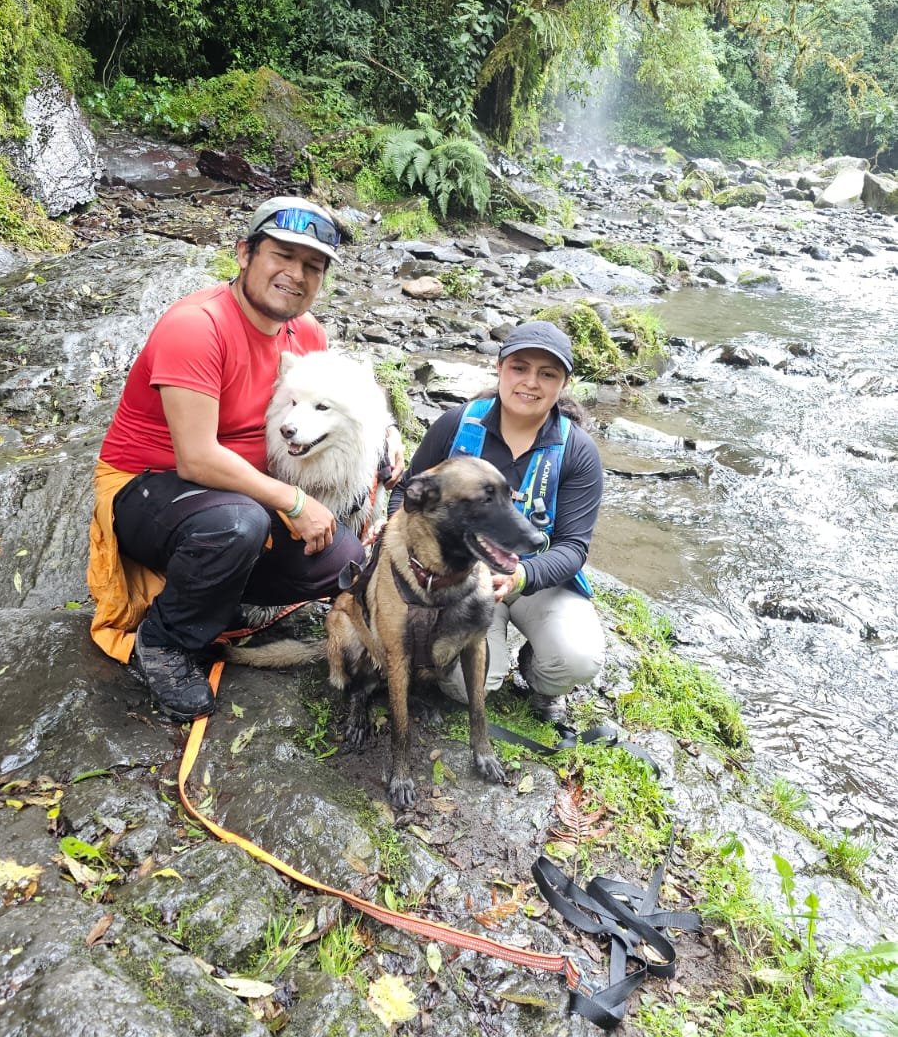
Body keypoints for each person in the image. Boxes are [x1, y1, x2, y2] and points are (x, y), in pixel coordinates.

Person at [87, 195, 403, 722]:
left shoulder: (306, 333)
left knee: (343, 559)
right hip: (145, 487)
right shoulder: (196, 327)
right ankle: (165, 641)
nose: (296, 274)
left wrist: (386, 431)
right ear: (243, 254)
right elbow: (197, 459)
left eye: (312, 265)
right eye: (282, 255)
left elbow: (345, 402)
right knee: (239, 523)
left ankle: (215, 594)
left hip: (235, 493)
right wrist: (295, 501)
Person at [390, 321, 604, 722]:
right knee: (464, 687)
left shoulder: (577, 451)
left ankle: (538, 676)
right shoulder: (457, 425)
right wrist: (406, 557)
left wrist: (521, 577)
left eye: (547, 374)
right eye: (519, 368)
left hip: (532, 578)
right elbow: (407, 492)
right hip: (459, 579)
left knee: (576, 659)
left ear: (563, 384)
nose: (530, 383)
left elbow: (573, 547)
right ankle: (490, 652)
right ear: (500, 368)